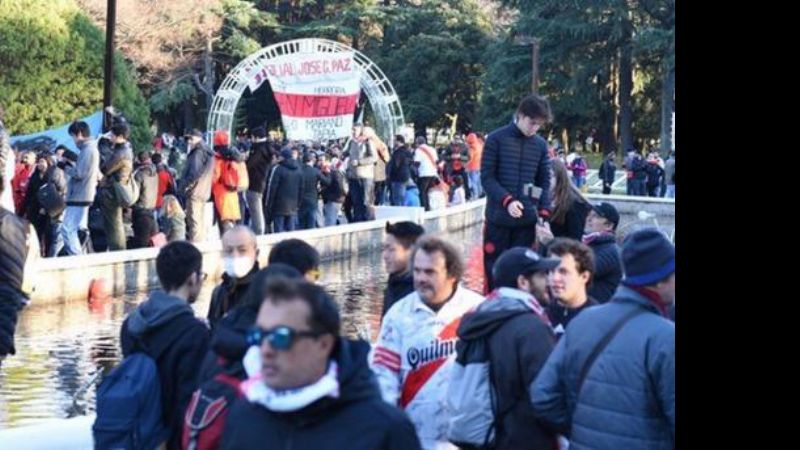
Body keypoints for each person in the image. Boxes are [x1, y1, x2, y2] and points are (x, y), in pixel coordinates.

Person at [220, 277, 422, 450]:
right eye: (258, 335)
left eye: (281, 337)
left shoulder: (384, 428)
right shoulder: (243, 415)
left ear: (324, 344)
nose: (265, 350)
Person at [530, 228, 675, 450]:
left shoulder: (583, 321)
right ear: (659, 280)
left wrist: (580, 430)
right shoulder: (665, 336)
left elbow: (543, 395)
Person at [371, 236, 484, 450]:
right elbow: (384, 376)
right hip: (414, 439)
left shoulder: (478, 311)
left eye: (430, 272)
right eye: (417, 271)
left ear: (452, 274)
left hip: (467, 440)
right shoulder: (397, 315)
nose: (421, 278)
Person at [448, 247, 559, 449]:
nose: (549, 281)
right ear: (523, 282)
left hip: (487, 438)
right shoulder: (532, 328)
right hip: (526, 440)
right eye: (542, 275)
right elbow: (548, 395)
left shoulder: (479, 318)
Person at [119, 241, 211, 450]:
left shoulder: (130, 325)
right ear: (192, 278)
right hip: (170, 439)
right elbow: (188, 402)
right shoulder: (195, 333)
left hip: (137, 434)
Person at [481, 94, 553, 291]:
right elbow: (487, 178)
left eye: (539, 125)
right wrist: (507, 200)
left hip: (526, 223)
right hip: (498, 220)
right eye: (532, 122)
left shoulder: (540, 145)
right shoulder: (496, 139)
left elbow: (543, 182)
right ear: (520, 115)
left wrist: (544, 213)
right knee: (494, 272)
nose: (534, 128)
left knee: (523, 274)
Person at [207, 225, 260, 329]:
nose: (235, 256)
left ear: (256, 253)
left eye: (242, 250)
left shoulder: (265, 291)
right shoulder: (219, 292)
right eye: (229, 251)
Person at [60, 120, 100, 255]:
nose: (73, 140)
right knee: (76, 229)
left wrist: (64, 166)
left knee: (67, 229)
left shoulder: (88, 150)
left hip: (80, 195)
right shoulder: (89, 149)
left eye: (73, 136)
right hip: (83, 194)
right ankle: (80, 255)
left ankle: (77, 257)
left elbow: (80, 173)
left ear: (79, 134)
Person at [546, 238, 599, 338]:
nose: (555, 278)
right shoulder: (540, 316)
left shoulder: (598, 320)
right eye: (551, 271)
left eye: (563, 272)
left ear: (584, 277)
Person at [381, 221, 425, 318]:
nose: (385, 255)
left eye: (391, 249)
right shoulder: (395, 282)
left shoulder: (420, 291)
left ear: (412, 251)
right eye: (383, 249)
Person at [179, 129, 215, 242]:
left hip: (194, 191)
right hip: (203, 191)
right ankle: (200, 246)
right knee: (200, 222)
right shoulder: (208, 151)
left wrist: (186, 186)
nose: (189, 141)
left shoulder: (198, 152)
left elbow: (194, 173)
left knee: (193, 222)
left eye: (191, 138)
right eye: (187, 139)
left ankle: (195, 248)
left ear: (199, 138)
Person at [583, 202, 622, 303]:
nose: (589, 219)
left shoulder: (610, 251)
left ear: (609, 226)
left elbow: (580, 272)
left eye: (595, 216)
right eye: (589, 215)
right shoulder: (589, 244)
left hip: (599, 309)